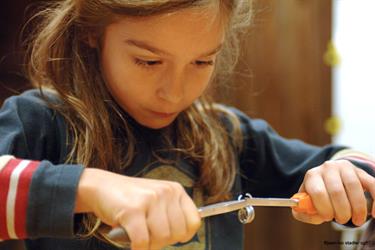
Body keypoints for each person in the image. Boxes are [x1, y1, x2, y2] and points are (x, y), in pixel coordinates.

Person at [0, 0, 374, 249]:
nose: (174, 93)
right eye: (148, 62)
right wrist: (91, 187)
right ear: (91, 32)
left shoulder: (228, 134)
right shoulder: (40, 122)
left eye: (201, 62)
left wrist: (346, 174)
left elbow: (355, 163)